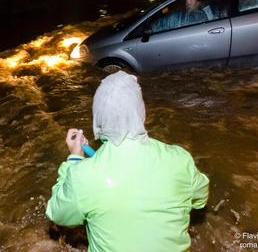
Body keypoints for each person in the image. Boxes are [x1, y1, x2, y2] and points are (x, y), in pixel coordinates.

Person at [46, 71, 210, 252]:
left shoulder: (82, 175)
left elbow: (58, 214)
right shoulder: (180, 159)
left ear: (98, 116)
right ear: (141, 110)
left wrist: (75, 158)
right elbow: (200, 199)